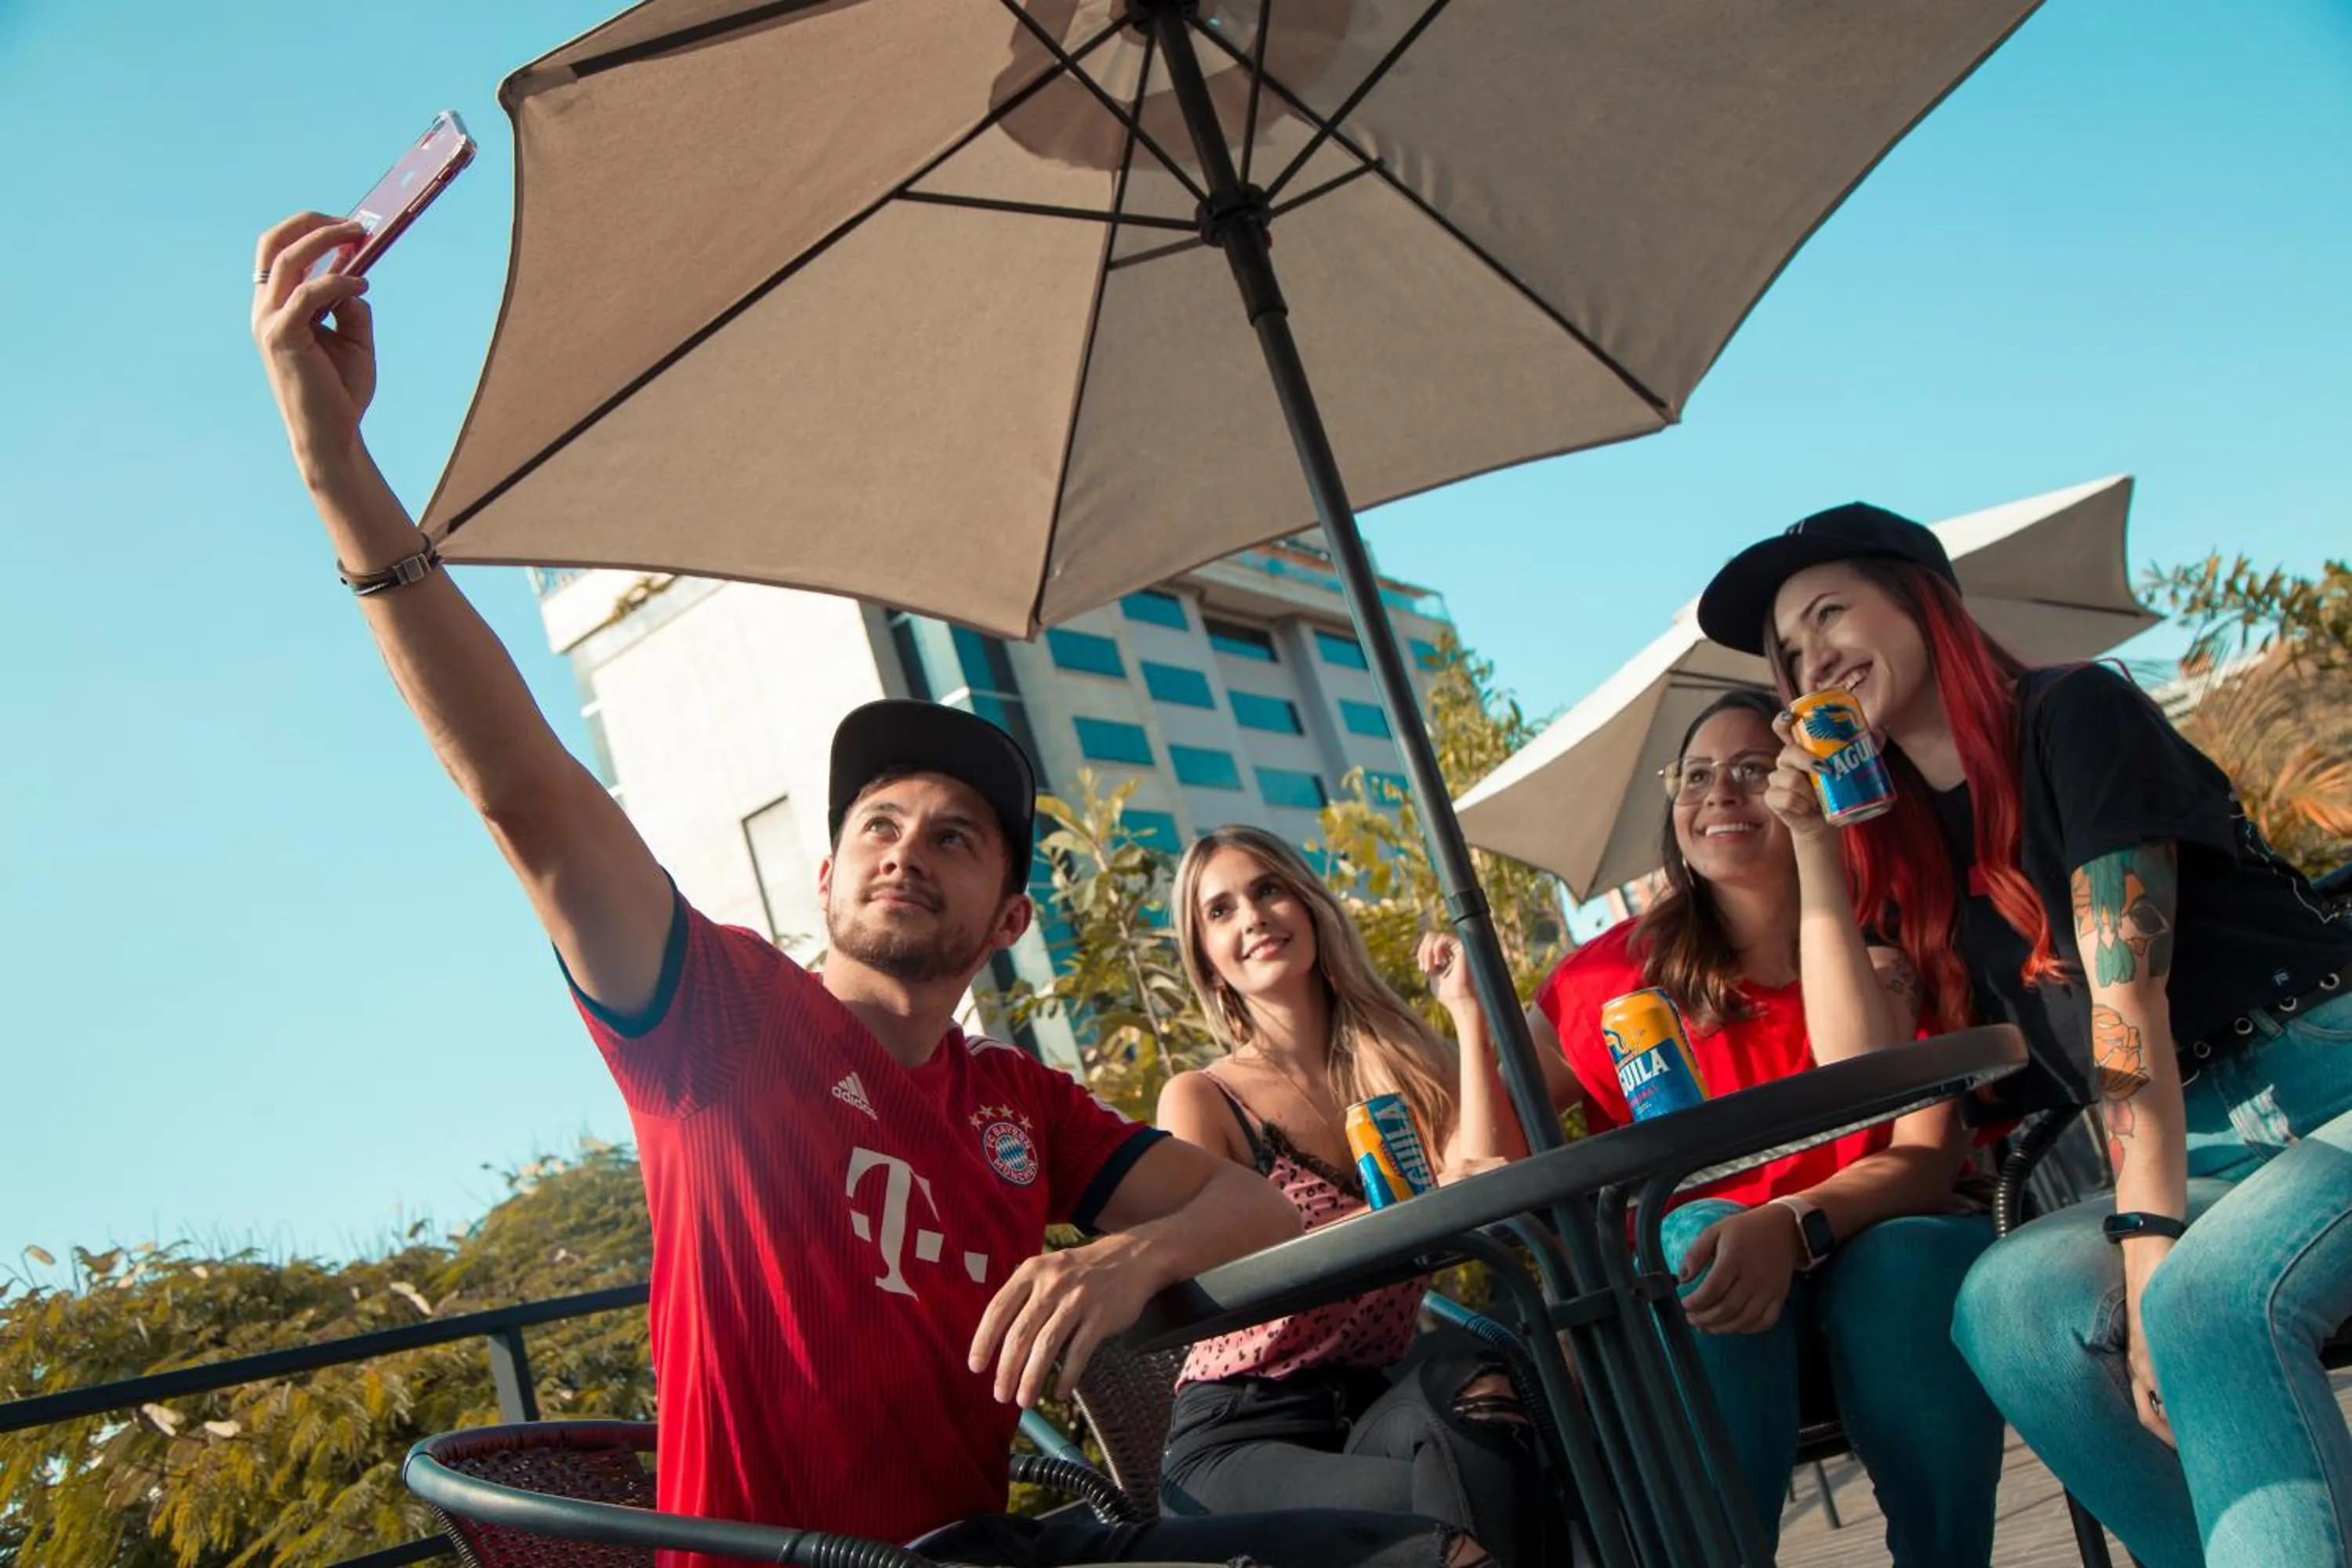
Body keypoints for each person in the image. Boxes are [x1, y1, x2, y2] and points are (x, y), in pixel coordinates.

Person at [250, 212, 1486, 1568]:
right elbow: (522, 789)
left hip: (983, 1543)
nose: (908, 845)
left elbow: (1252, 1212)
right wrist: (335, 468)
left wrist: (1120, 1258)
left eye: (956, 836)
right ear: (828, 871)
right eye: (879, 824)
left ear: (1012, 920)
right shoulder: (708, 1007)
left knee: (1436, 1548)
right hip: (787, 1565)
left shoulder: (1016, 1100)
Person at [1697, 500, 2352, 1568]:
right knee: (2002, 1308)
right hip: (2195, 1149)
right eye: (1790, 652)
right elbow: (1869, 1078)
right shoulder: (1897, 846)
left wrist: (2146, 1261)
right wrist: (1814, 845)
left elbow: (2124, 1004)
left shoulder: (2072, 713)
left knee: (2199, 1307)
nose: (1814, 656)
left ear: (1921, 604)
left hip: (2320, 1075)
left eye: (1831, 614)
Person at [1526, 688, 2003, 1565]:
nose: (1721, 794)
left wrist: (1790, 1222)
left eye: (1755, 770)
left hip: (1876, 1254)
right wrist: (1472, 1023)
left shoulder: (1892, 951)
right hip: (1704, 1300)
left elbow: (1927, 1160)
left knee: (1909, 1258)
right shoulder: (1609, 972)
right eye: (1697, 775)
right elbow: (1491, 1123)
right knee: (1697, 1235)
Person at [1154, 826, 1552, 1566]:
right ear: (1208, 962)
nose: (1252, 918)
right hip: (1244, 1429)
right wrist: (1388, 1221)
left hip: (1370, 1401)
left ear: (1309, 906)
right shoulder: (1203, 1100)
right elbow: (1213, 1276)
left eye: (1268, 889)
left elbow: (1487, 1176)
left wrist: (1466, 1016)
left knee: (1482, 1388)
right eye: (1221, 911)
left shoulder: (1394, 1061)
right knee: (1472, 1485)